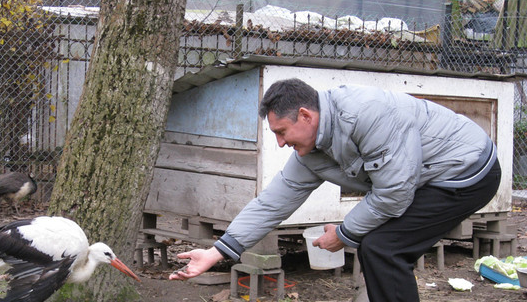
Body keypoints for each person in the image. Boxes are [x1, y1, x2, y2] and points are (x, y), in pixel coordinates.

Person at [169, 78, 501, 302]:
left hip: (467, 172)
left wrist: (342, 234)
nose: (280, 143)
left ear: (304, 115)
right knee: (380, 246)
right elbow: (273, 202)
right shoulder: (311, 151)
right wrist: (216, 253)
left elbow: (393, 194)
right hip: (426, 179)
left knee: (384, 247)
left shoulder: (367, 114)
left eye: (282, 132)